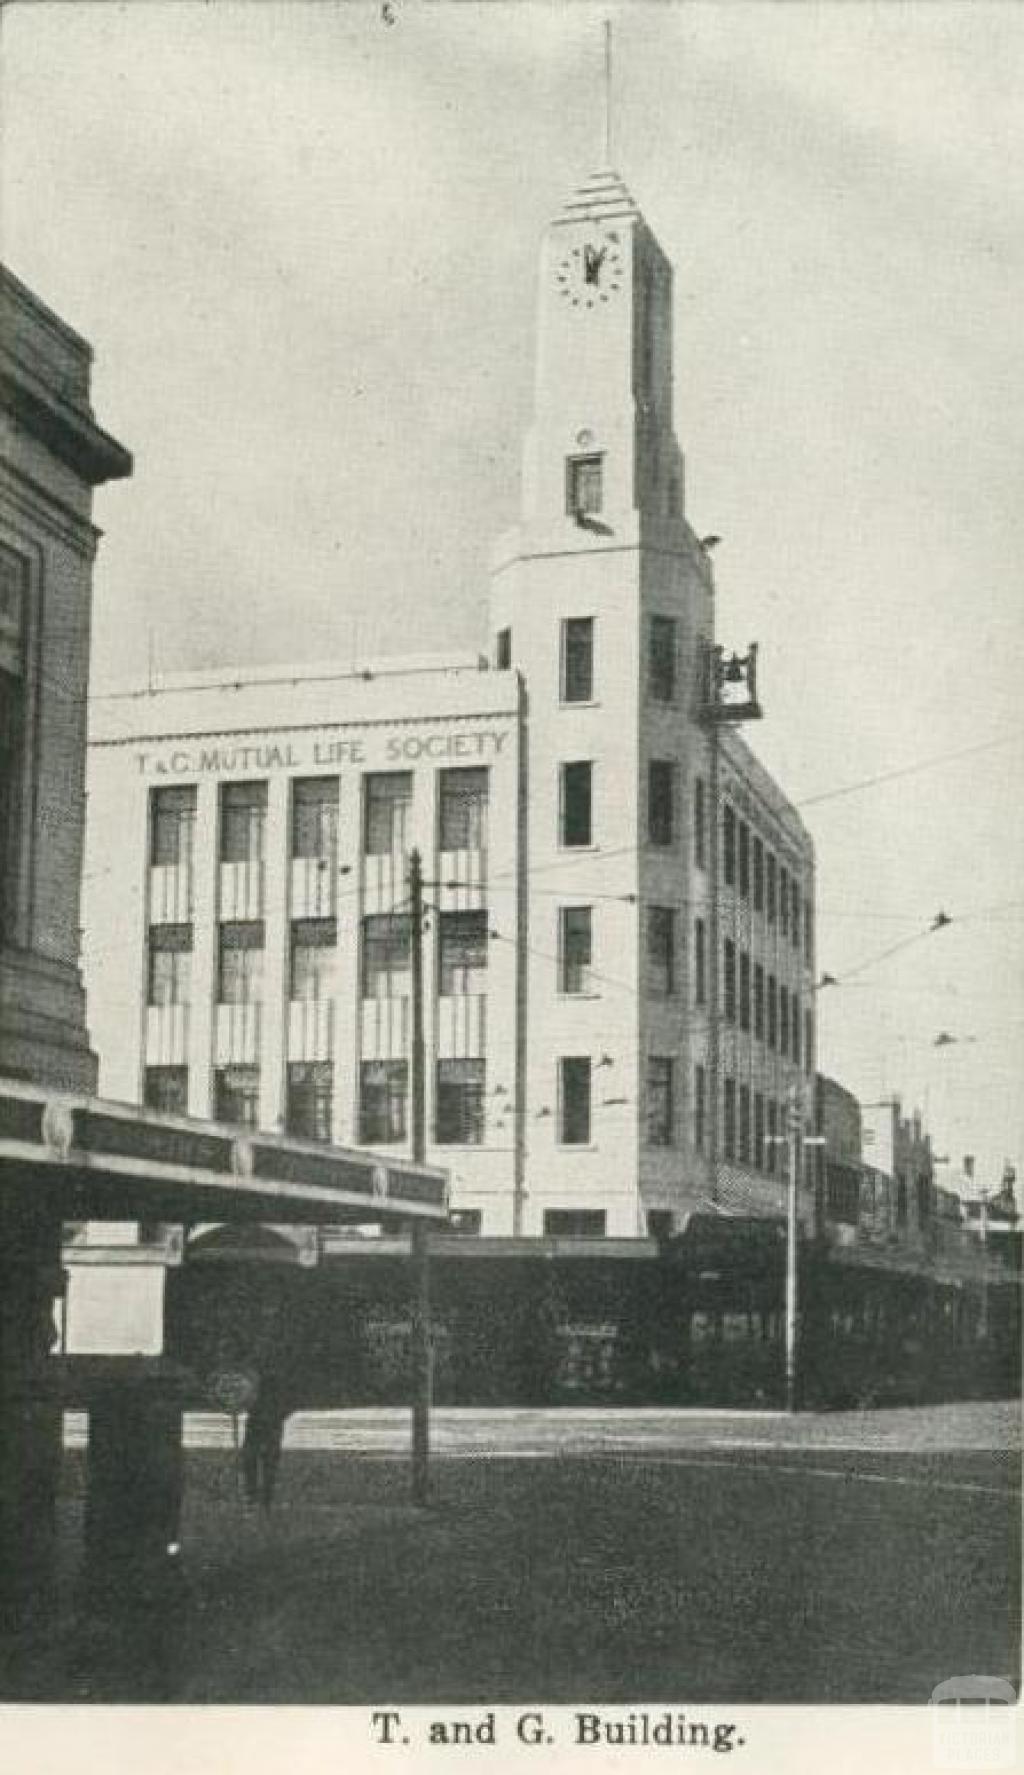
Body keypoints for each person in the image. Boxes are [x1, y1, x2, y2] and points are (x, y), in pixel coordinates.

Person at [241, 1369, 290, 1510]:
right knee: (252, 1459)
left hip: (270, 1420)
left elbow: (287, 1401)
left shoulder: (279, 1379)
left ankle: (263, 1498)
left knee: (268, 1461)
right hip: (258, 1420)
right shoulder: (255, 1376)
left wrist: (279, 1414)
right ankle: (253, 1496)